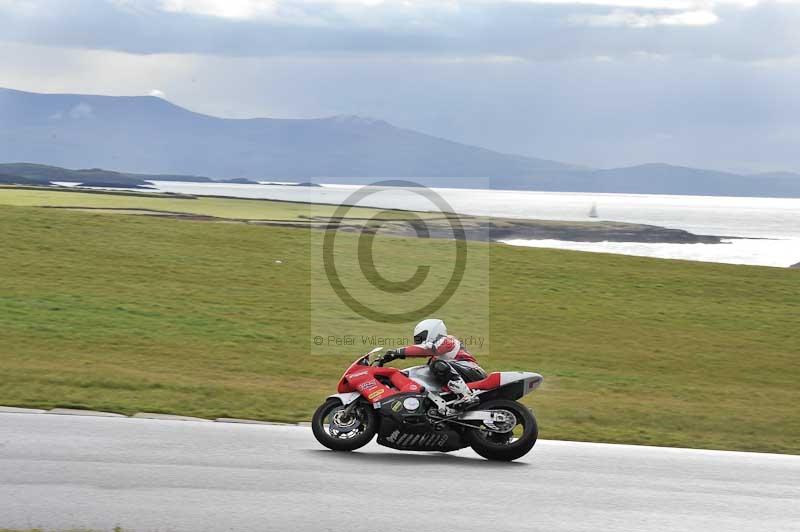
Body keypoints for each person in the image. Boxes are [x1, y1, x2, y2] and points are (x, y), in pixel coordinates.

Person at [385, 318, 486, 411]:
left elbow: (429, 349)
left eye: (421, 337)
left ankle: (466, 396)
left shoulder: (447, 340)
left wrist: (397, 352)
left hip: (473, 371)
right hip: (462, 374)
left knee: (437, 365)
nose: (419, 341)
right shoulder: (436, 356)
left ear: (433, 331)